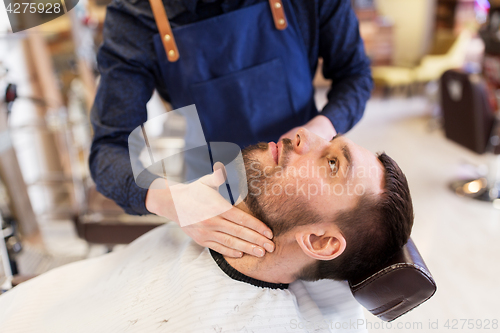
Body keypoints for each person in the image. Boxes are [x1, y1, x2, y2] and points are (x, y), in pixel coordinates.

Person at [0, 129, 413, 332]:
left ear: (321, 241)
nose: (303, 134)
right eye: (330, 141)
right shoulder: (196, 218)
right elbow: (109, 145)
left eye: (332, 163)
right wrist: (161, 195)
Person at [89, 0, 373, 258]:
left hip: (304, 199)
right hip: (217, 203)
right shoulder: (135, 16)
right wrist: (173, 200)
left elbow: (355, 75)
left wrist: (320, 129)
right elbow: (108, 150)